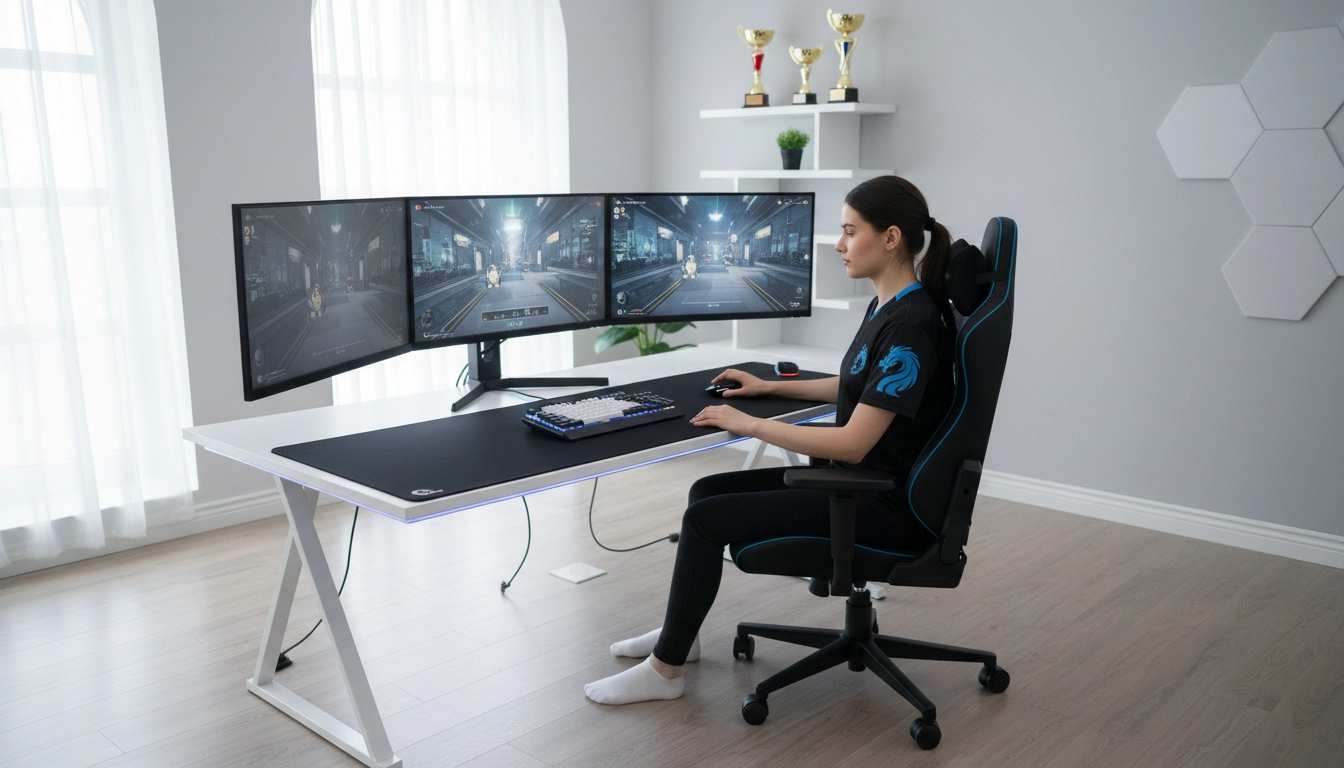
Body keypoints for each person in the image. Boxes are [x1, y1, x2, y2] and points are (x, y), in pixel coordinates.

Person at [584, 175, 957, 705]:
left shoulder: (912, 326)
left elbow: (852, 443)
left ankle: (664, 672)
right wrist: (770, 387)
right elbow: (854, 385)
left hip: (883, 503)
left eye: (850, 232)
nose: (839, 245)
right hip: (864, 484)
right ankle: (680, 639)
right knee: (708, 492)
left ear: (891, 237)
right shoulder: (892, 308)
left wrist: (748, 422)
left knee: (704, 519)